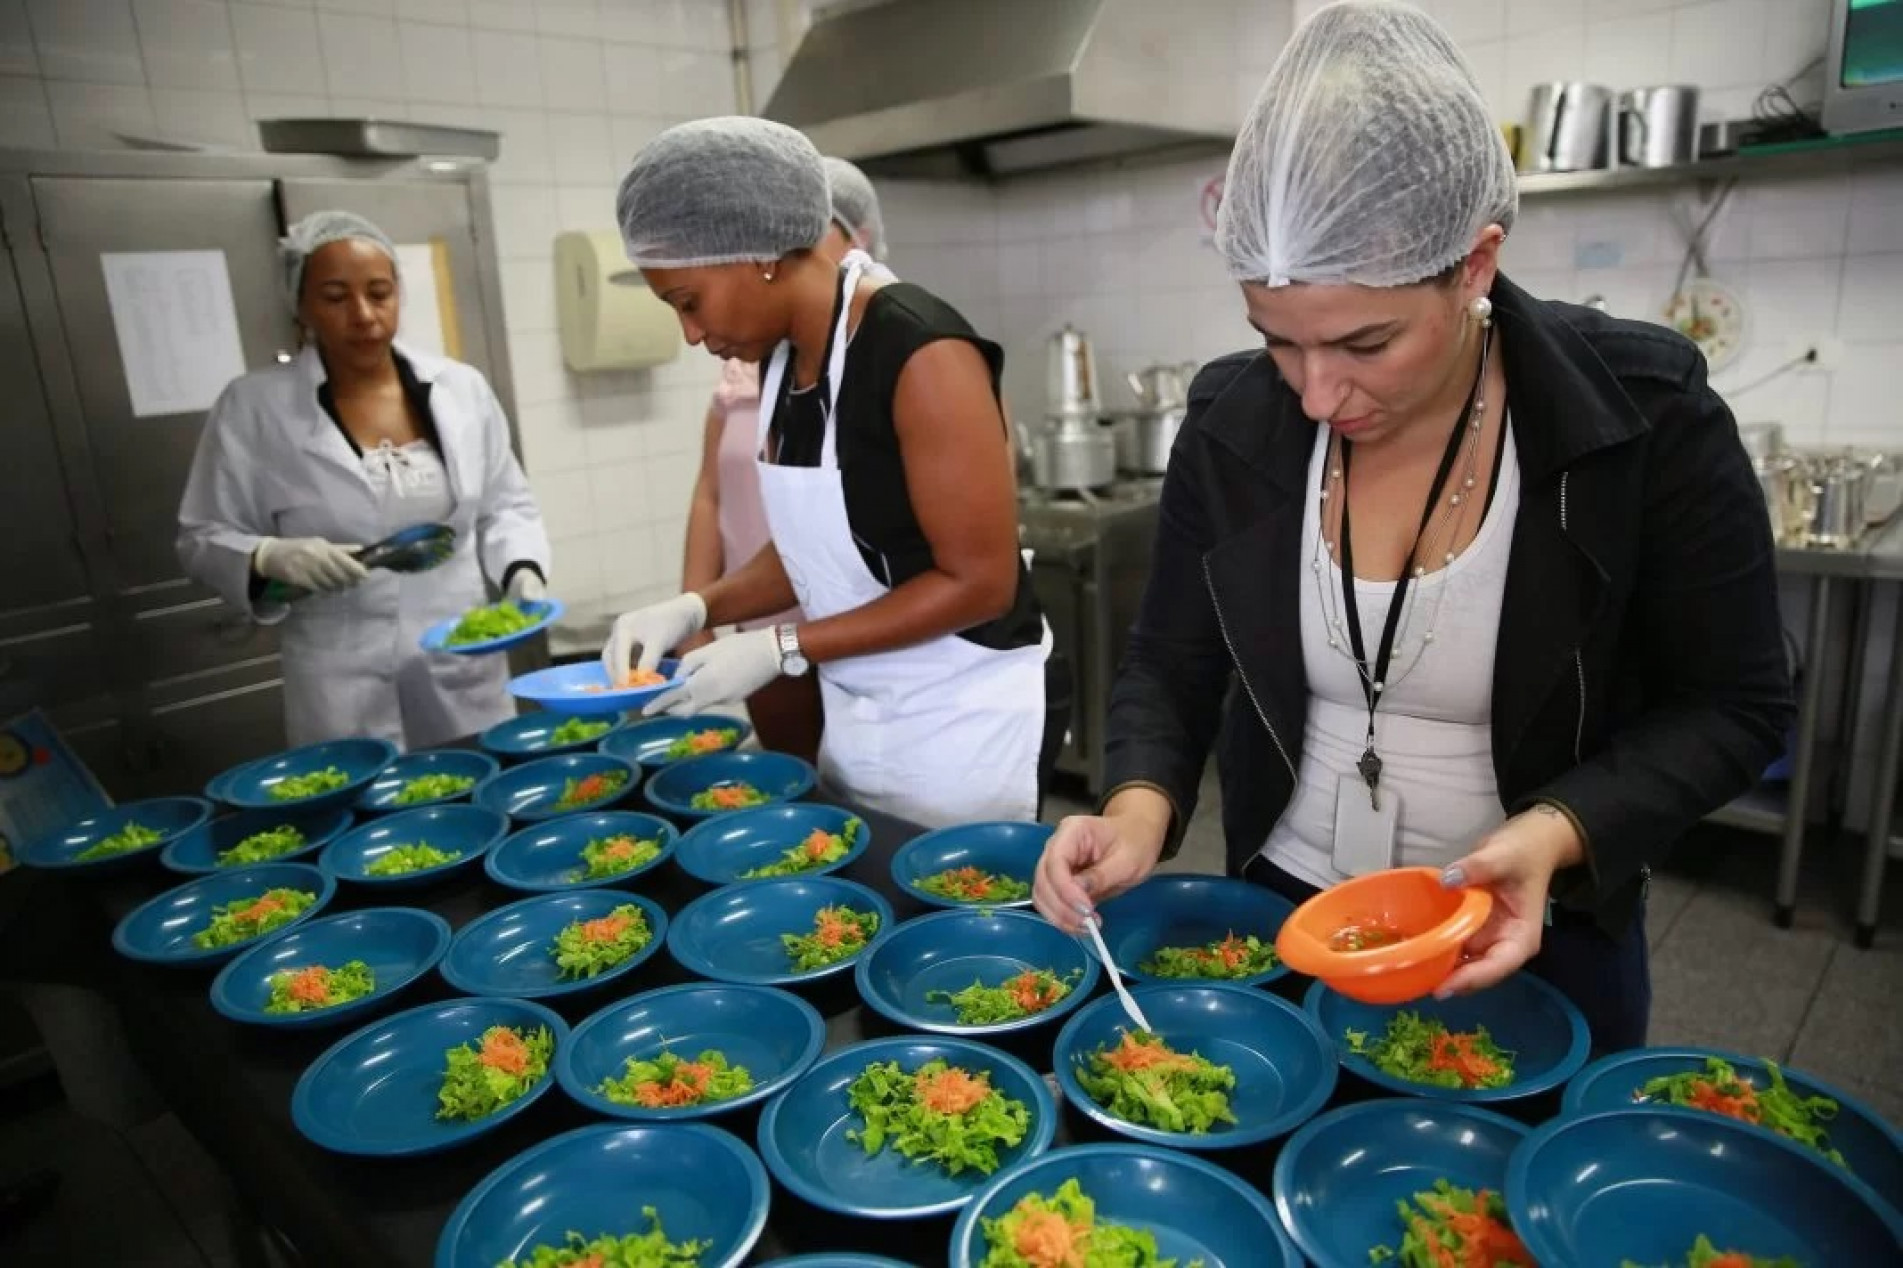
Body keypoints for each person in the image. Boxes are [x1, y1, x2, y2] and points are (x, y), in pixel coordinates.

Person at [1030, 0, 1791, 1052]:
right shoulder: (1232, 421)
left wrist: (1557, 831)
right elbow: (1170, 659)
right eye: (1277, 340)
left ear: (1473, 264)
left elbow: (1735, 703)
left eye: (1365, 343)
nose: (1314, 394)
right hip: (1285, 917)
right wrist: (1136, 805)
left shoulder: (1639, 412)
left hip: (1522, 927)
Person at [603, 118, 1053, 828]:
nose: (690, 334)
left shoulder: (920, 352)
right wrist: (696, 608)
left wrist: (784, 645)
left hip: (960, 722)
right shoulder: (784, 360)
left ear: (757, 254)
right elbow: (818, 547)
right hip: (858, 713)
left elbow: (980, 584)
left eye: (688, 302)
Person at [177, 210, 551, 751]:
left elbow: (506, 504)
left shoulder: (460, 389)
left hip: (460, 665)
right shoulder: (253, 407)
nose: (364, 315)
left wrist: (522, 571)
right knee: (365, 798)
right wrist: (266, 557)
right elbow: (201, 536)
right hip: (341, 683)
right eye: (335, 297)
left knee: (473, 784)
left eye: (380, 293)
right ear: (301, 306)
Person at [677, 156, 896, 764]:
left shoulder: (900, 350)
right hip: (760, 613)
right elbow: (711, 491)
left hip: (871, 627)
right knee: (795, 782)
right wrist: (694, 607)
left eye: (809, 229)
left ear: (859, 239)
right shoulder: (750, 364)